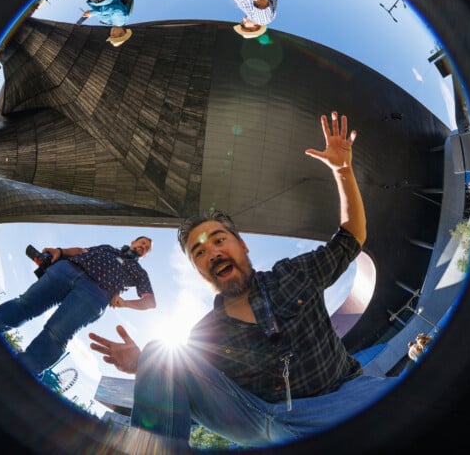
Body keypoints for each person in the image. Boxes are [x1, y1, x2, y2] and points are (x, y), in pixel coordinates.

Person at [89, 111, 399, 449]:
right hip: (261, 419)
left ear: (242, 245)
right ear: (198, 270)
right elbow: (186, 393)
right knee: (161, 353)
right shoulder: (204, 334)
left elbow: (351, 238)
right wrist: (143, 368)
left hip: (339, 399)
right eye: (199, 253)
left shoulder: (294, 274)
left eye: (219, 240)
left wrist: (342, 171)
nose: (213, 253)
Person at [0, 236, 154, 376]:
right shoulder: (108, 248)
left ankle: (16, 377)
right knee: (24, 305)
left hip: (95, 294)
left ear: (145, 255)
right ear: (133, 242)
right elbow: (82, 251)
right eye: (142, 243)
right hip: (66, 270)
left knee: (55, 334)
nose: (143, 247)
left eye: (146, 248)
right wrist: (60, 251)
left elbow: (149, 301)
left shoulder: (138, 271)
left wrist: (125, 303)